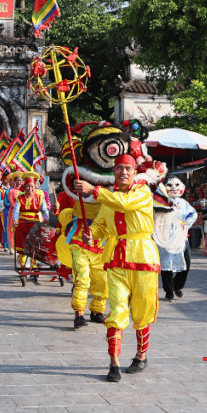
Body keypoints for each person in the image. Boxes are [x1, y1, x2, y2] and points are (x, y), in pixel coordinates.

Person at [75, 153, 159, 382]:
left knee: (142, 309)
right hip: (116, 259)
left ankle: (141, 356)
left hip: (143, 257)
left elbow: (126, 204)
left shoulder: (142, 192)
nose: (123, 172)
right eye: (119, 168)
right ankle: (114, 362)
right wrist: (91, 234)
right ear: (114, 171)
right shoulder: (109, 198)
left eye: (128, 169)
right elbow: (101, 225)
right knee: (118, 309)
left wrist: (93, 190)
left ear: (134, 173)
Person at [57, 184, 109, 329]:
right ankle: (79, 315)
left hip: (101, 244)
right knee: (82, 277)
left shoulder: (111, 196)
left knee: (103, 281)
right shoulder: (83, 193)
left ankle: (97, 311)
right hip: (80, 241)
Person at [158, 177, 197, 301]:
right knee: (166, 266)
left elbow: (193, 214)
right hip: (165, 239)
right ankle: (169, 291)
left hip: (181, 238)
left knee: (186, 264)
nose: (173, 187)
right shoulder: (159, 201)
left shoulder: (184, 203)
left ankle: (177, 285)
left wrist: (184, 224)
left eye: (177, 185)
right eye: (169, 185)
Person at [6, 172, 23, 254]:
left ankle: (19, 247)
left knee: (20, 230)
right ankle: (12, 247)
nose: (19, 182)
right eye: (18, 180)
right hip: (13, 212)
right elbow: (11, 202)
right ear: (15, 181)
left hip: (22, 213)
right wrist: (18, 208)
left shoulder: (23, 191)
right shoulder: (11, 191)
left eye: (21, 180)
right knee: (12, 230)